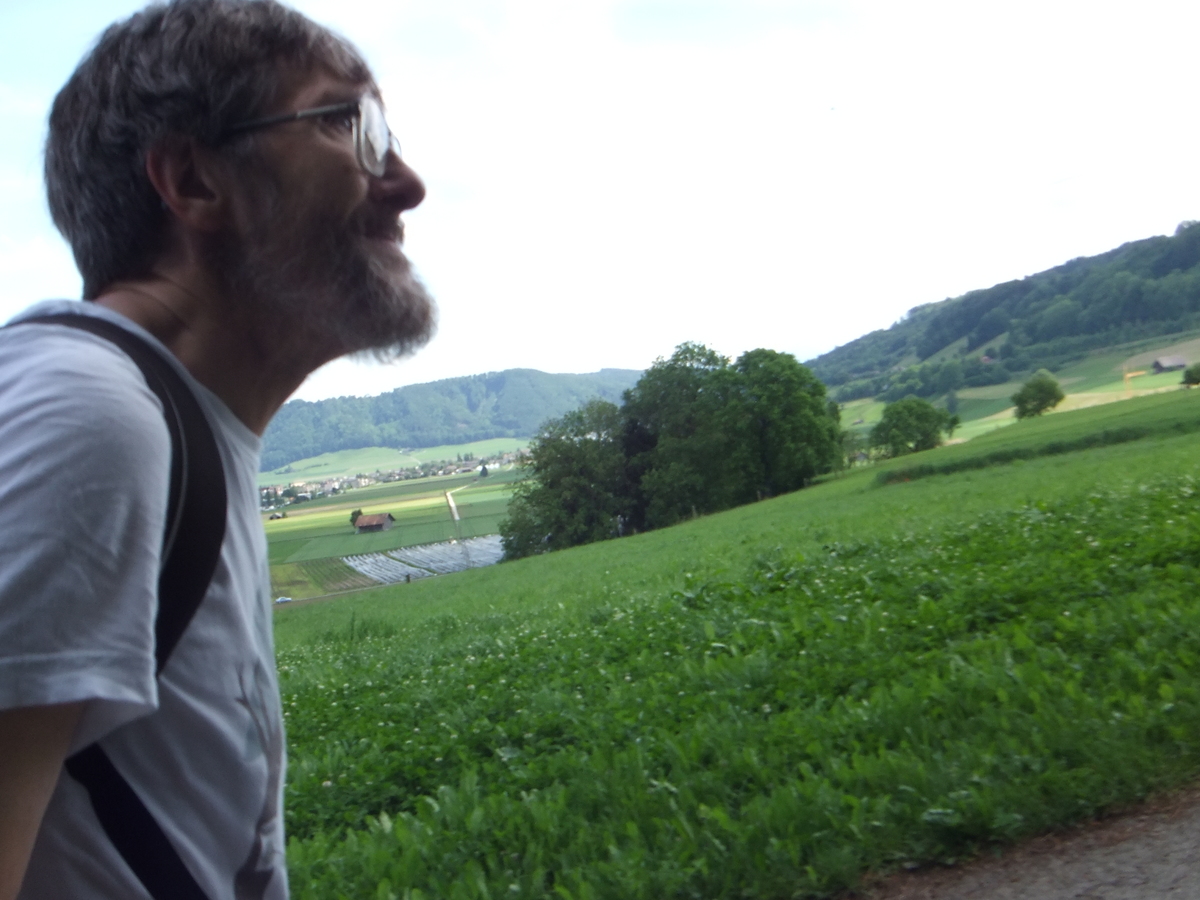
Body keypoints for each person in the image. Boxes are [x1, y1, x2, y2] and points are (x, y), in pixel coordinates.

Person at [0, 1, 434, 897]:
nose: (405, 181)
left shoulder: (170, 426)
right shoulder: (86, 416)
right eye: (349, 125)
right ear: (194, 181)